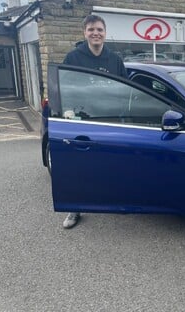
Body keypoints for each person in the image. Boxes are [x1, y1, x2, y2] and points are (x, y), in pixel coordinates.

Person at [62, 14, 127, 229]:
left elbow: (126, 90)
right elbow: (65, 87)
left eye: (99, 29)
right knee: (78, 166)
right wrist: (69, 112)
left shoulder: (115, 60)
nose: (95, 33)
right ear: (85, 33)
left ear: (105, 33)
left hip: (110, 120)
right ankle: (74, 208)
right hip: (82, 119)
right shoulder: (73, 58)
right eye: (91, 29)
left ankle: (113, 200)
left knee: (110, 163)